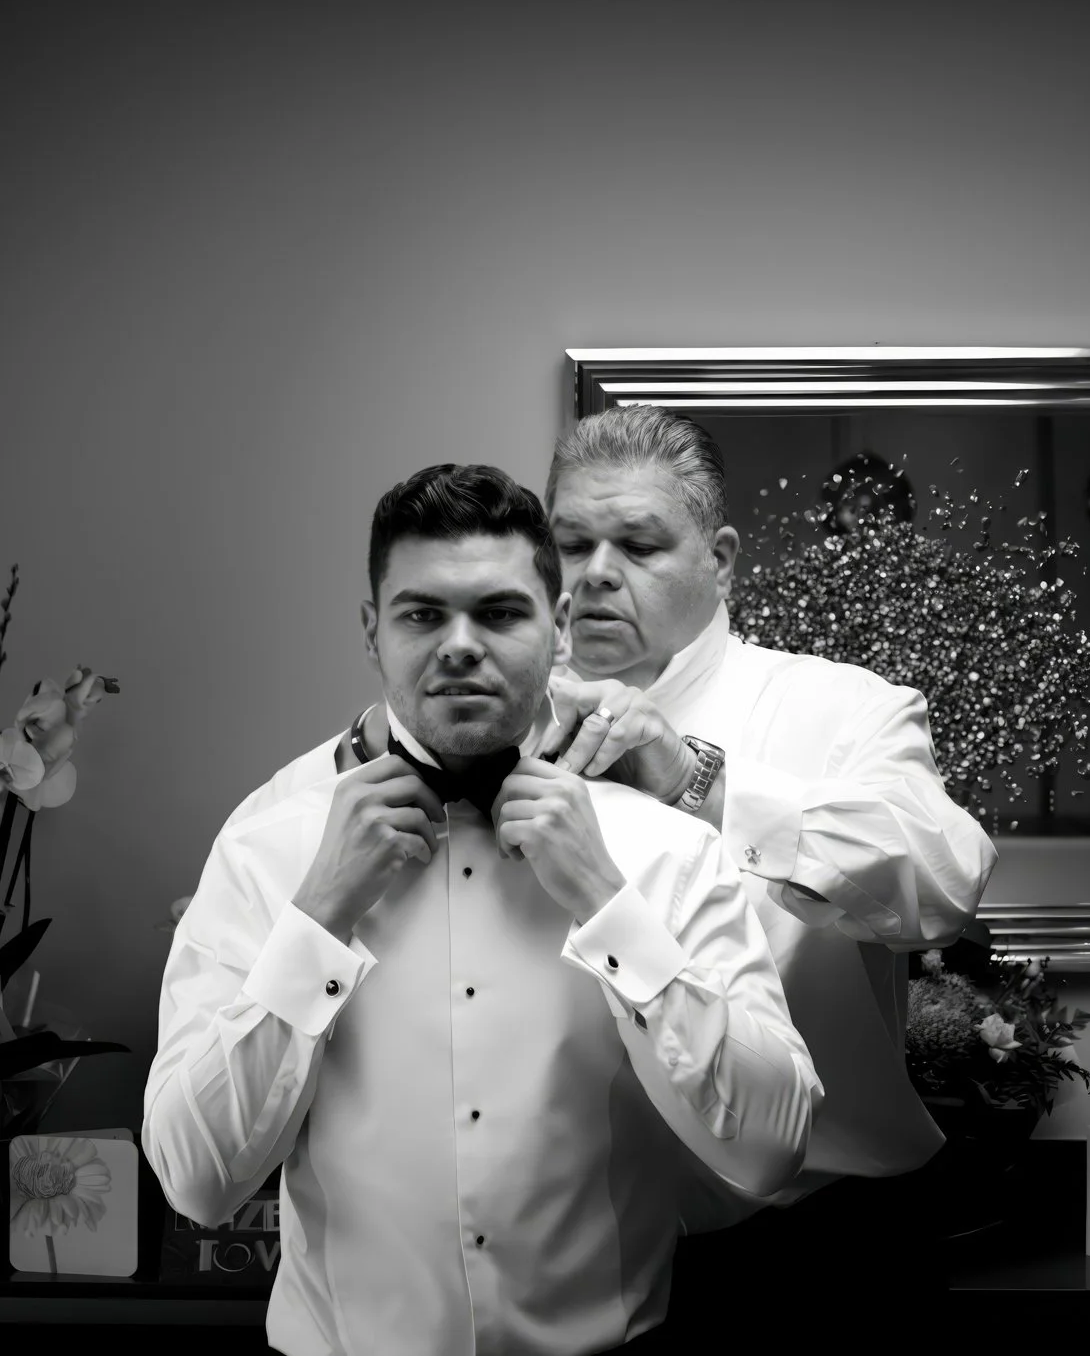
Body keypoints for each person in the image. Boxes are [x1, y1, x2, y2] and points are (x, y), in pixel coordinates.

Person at [144, 464, 820, 1356]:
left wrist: (607, 904)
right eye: (422, 613)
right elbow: (195, 1180)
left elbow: (772, 1147)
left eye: (499, 612)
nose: (460, 644)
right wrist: (317, 915)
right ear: (371, 631)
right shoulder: (268, 844)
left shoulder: (663, 849)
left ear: (561, 624)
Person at [537, 409, 997, 1314]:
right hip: (565, 1267)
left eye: (637, 543)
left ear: (722, 558)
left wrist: (698, 783)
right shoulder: (498, 725)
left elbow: (947, 878)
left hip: (820, 1260)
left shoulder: (842, 709)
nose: (595, 572)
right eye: (570, 542)